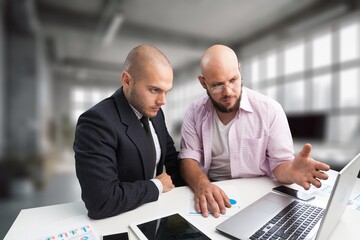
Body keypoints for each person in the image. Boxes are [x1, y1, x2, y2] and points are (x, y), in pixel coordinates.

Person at [179, 44, 330, 218]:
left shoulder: (270, 110)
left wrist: (291, 172)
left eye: (233, 80)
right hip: (212, 190)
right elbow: (188, 158)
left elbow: (280, 164)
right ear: (203, 82)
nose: (228, 92)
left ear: (239, 70)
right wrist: (202, 185)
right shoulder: (194, 111)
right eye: (217, 85)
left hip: (259, 194)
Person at [74, 44, 184, 219]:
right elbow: (101, 201)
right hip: (119, 221)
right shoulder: (96, 122)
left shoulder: (156, 113)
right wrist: (156, 186)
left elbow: (171, 158)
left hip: (155, 214)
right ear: (126, 80)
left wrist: (200, 184)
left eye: (166, 92)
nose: (162, 101)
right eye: (154, 90)